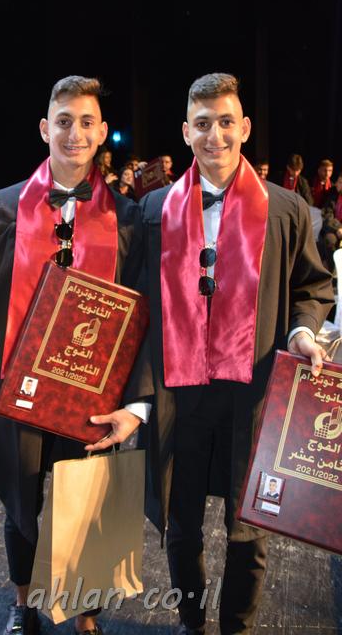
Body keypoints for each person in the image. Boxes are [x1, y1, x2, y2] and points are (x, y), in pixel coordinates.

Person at [138, 73, 333, 635]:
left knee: (249, 527)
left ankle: (238, 628)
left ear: (244, 127)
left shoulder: (286, 209)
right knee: (181, 522)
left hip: (255, 392)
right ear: (186, 132)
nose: (215, 135)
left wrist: (301, 332)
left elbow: (312, 287)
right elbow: (138, 301)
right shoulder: (154, 209)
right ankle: (191, 622)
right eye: (202, 124)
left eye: (226, 122)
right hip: (180, 393)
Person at [0, 75, 146, 635]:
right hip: (18, 386)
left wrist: (136, 402)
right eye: (63, 121)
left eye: (86, 122)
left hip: (91, 393)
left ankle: (85, 616)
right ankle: (24, 603)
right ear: (44, 129)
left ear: (102, 132)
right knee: (21, 504)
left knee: (87, 504)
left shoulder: (128, 217)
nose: (74, 133)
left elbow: (143, 312)